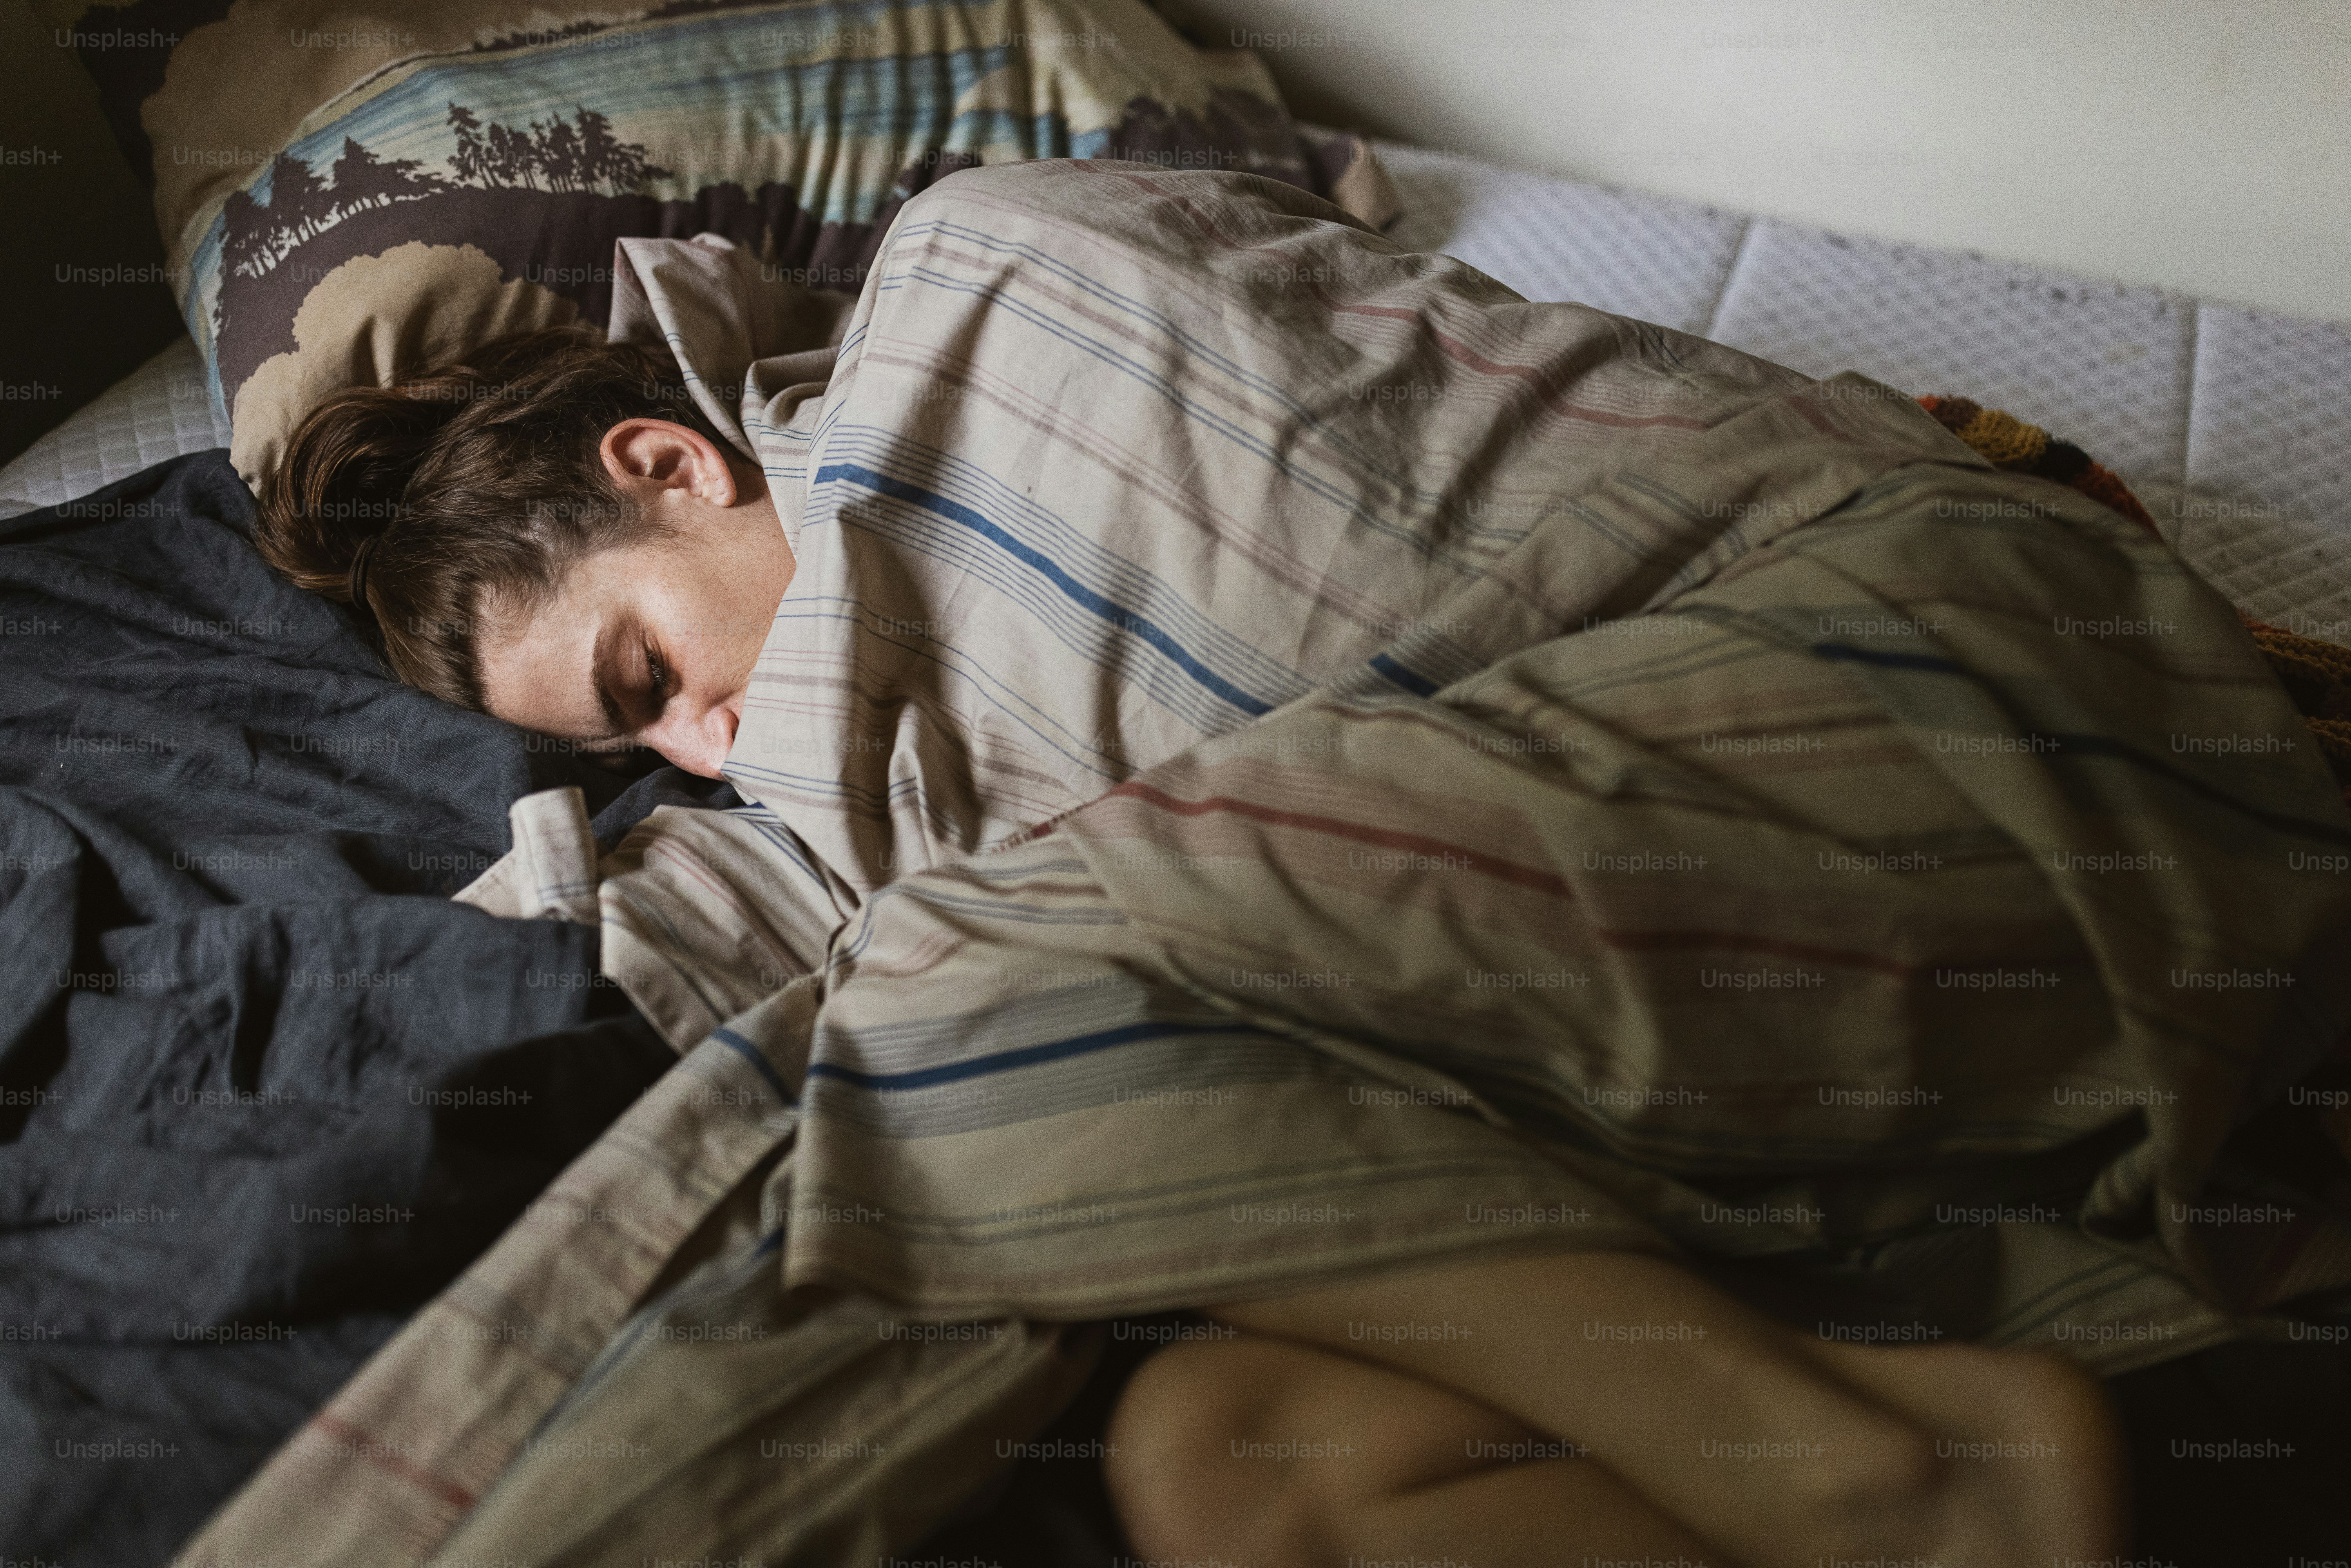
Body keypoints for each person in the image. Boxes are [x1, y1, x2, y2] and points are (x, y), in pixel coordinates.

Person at [254, 315, 2131, 1567]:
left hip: (1812, 675)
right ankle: (1925, 1460)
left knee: (933, 989)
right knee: (1220, 1452)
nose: (703, 747)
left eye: (648, 674)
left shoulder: (978, 326)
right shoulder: (819, 793)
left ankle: (1876, 1476)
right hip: (1416, 955)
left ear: (673, 463)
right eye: (638, 748)